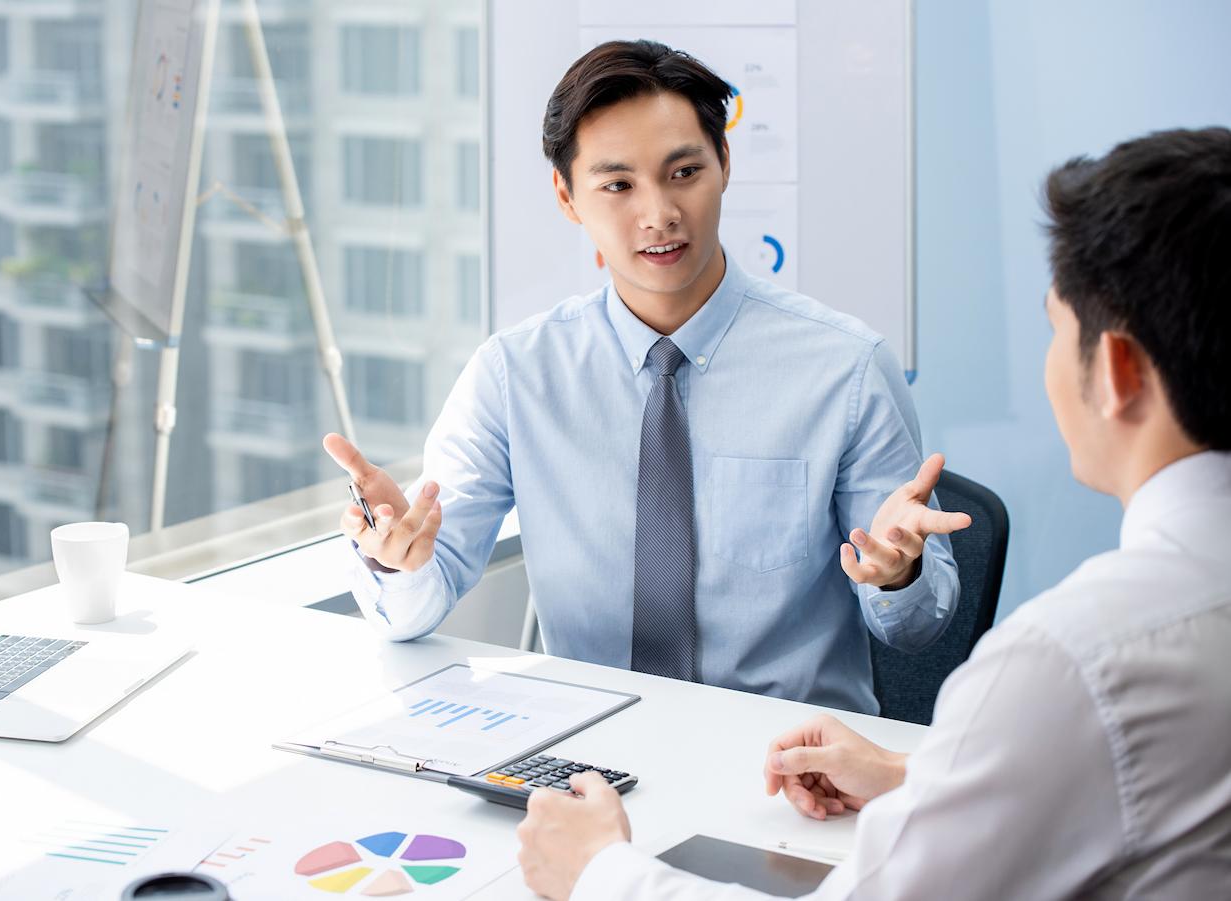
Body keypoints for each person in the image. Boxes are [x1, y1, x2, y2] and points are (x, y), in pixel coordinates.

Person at [515, 126, 1231, 899]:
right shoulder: (524, 363)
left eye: (1056, 327)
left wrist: (599, 874)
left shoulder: (1074, 661)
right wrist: (919, 772)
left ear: (1118, 369)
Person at [324, 40, 967, 714]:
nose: (658, 213)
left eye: (684, 171)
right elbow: (414, 607)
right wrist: (398, 560)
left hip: (791, 769)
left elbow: (919, 626)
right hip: (588, 760)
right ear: (568, 197)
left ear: (724, 162)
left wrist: (900, 576)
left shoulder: (847, 370)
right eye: (618, 185)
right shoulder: (514, 376)